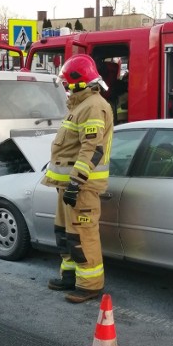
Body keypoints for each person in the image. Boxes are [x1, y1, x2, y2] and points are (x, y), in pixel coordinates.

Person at [42, 54, 114, 304]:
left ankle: (90, 284)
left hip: (81, 187)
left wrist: (76, 182)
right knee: (65, 234)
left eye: (67, 83)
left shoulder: (93, 106)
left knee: (82, 236)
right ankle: (70, 277)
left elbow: (91, 149)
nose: (64, 87)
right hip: (68, 186)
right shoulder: (80, 105)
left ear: (78, 83)